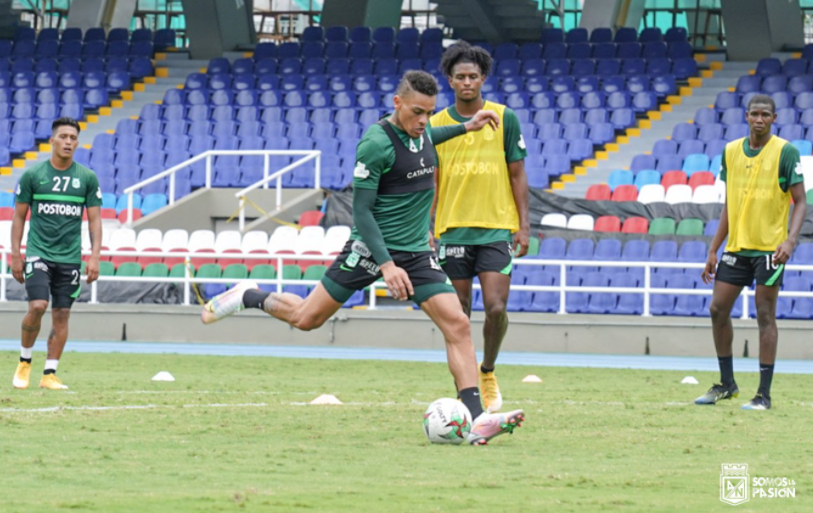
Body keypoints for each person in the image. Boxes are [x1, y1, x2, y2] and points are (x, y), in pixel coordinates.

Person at [201, 70, 525, 445]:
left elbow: (430, 137)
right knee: (307, 319)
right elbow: (362, 213)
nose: (424, 121)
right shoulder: (375, 144)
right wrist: (386, 265)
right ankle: (248, 295)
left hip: (417, 252)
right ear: (397, 103)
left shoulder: (423, 134)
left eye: (429, 112)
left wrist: (467, 126)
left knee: (457, 323)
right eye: (417, 112)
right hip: (370, 251)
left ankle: (476, 416)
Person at [430, 41, 529, 413]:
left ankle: (487, 370)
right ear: (450, 81)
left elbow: (517, 175)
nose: (467, 82)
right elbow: (432, 182)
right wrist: (428, 225)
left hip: (496, 228)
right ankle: (467, 389)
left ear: (483, 78)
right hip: (452, 229)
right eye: (460, 77)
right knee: (458, 314)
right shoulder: (436, 124)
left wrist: (524, 226)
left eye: (473, 76)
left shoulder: (505, 117)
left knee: (496, 307)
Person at [697, 95, 806, 410]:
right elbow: (731, 204)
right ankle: (726, 384)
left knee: (764, 315)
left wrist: (790, 240)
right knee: (717, 310)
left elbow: (801, 200)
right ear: (746, 116)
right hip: (737, 247)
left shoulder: (786, 152)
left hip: (769, 250)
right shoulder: (731, 151)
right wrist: (714, 249)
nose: (760, 119)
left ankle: (763, 395)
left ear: (774, 118)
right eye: (755, 114)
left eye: (765, 115)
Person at [11, 117, 103, 390]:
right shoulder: (33, 176)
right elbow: (18, 218)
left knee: (61, 313)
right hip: (39, 253)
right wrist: (16, 255)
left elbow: (95, 220)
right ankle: (24, 362)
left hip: (70, 258)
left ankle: (49, 374)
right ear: (52, 141)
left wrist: (95, 256)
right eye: (63, 137)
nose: (68, 142)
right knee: (38, 306)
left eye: (73, 138)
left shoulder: (87, 178)